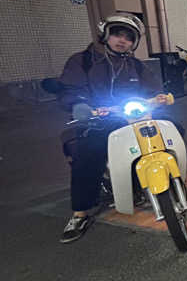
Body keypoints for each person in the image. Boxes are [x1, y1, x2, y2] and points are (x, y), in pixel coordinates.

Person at [57, 13, 174, 243]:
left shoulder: (135, 66)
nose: (123, 41)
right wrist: (79, 104)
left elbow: (153, 89)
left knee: (172, 131)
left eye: (129, 38)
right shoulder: (83, 61)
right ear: (105, 34)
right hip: (96, 120)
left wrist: (159, 97)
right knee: (89, 153)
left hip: (130, 118)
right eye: (118, 34)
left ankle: (142, 184)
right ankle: (81, 212)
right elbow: (69, 90)